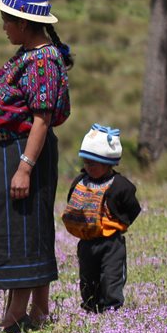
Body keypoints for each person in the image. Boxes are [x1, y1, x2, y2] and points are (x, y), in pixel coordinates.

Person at [0, 0, 73, 333]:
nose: (4, 27)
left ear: (24, 23)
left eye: (7, 20)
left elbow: (42, 118)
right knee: (25, 227)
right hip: (11, 151)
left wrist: (24, 167)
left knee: (22, 230)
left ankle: (15, 316)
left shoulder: (43, 60)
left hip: (24, 151)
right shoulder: (30, 55)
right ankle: (39, 311)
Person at [61, 124, 141, 313]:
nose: (88, 167)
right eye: (86, 162)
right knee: (87, 278)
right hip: (87, 242)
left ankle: (112, 308)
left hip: (110, 243)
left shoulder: (120, 186)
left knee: (111, 276)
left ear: (108, 163)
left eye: (93, 164)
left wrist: (119, 224)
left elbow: (132, 208)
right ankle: (91, 307)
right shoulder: (80, 182)